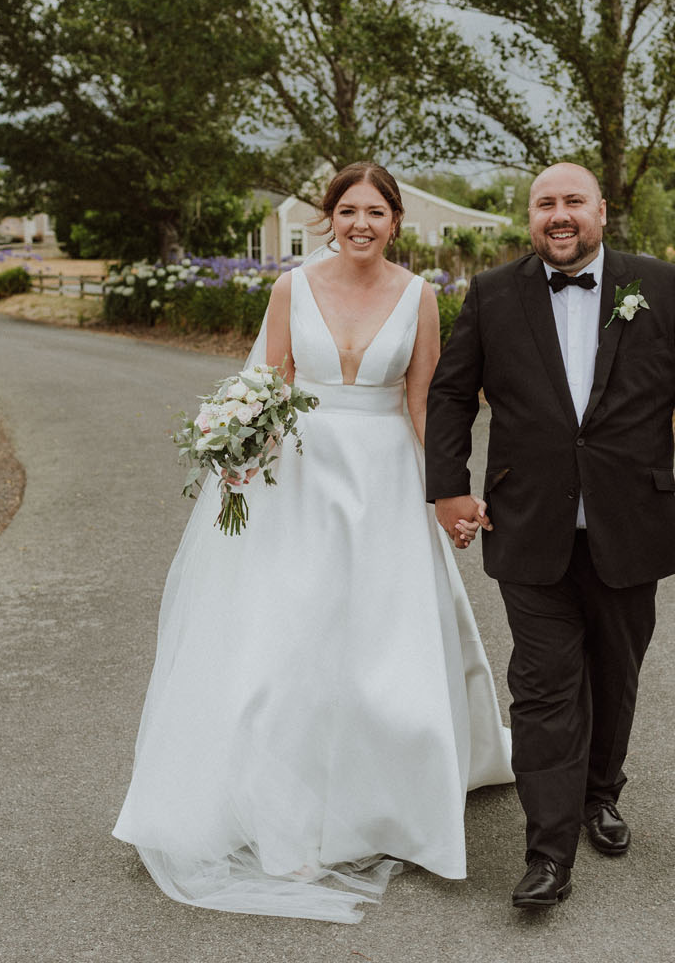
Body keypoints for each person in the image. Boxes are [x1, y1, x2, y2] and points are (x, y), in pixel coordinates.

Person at [113, 162, 514, 923]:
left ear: (396, 221)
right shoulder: (290, 288)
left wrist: (446, 494)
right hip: (299, 476)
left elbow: (423, 399)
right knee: (292, 635)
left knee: (384, 643)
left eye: (376, 211)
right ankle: (283, 802)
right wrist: (236, 462)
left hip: (387, 478)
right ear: (330, 217)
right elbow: (269, 382)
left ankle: (393, 798)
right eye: (348, 210)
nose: (361, 223)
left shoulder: (422, 296)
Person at [425, 162, 675, 909]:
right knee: (542, 688)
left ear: (602, 210)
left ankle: (603, 791)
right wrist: (448, 487)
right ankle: (548, 854)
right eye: (545, 204)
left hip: (630, 521)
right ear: (529, 217)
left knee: (615, 672)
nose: (559, 215)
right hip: (528, 524)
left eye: (573, 201)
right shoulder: (494, 293)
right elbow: (449, 394)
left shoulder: (659, 285)